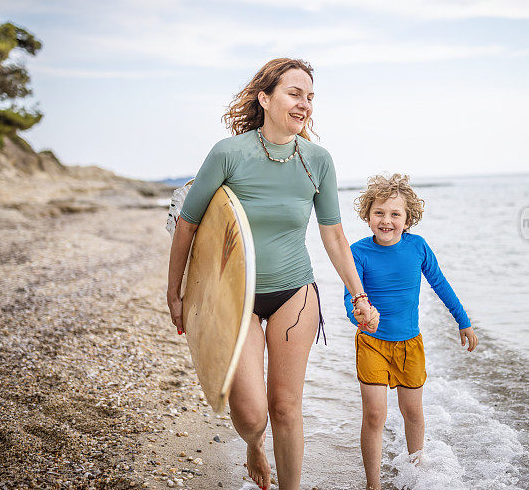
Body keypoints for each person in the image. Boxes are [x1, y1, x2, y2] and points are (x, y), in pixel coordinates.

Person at [167, 58, 377, 490]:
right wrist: (176, 293)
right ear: (265, 98)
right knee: (251, 413)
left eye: (310, 97)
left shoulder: (317, 161)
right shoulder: (230, 153)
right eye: (295, 93)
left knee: (285, 407)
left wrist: (358, 295)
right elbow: (188, 224)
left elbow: (334, 236)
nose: (305, 104)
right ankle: (252, 444)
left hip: (294, 293)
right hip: (233, 296)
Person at [343, 173, 477, 490]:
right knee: (375, 415)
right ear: (367, 214)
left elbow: (440, 284)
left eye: (395, 214)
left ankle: (417, 475)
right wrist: (360, 317)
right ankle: (373, 485)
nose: (386, 220)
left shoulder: (417, 247)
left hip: (409, 345)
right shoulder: (357, 252)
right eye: (379, 212)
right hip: (372, 344)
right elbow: (351, 296)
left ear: (407, 218)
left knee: (413, 412)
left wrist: (463, 320)